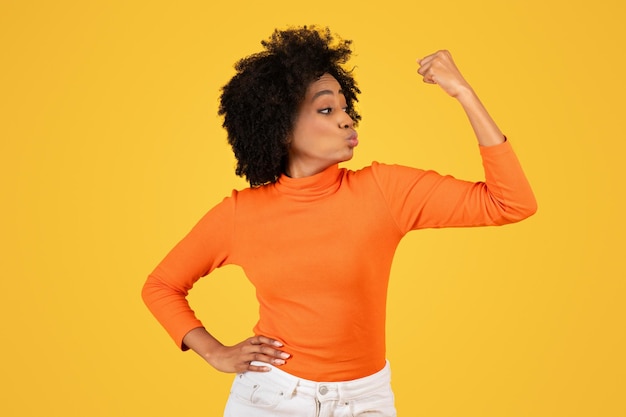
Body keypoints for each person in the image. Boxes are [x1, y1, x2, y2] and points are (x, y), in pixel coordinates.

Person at [142, 26, 537, 417]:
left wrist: (464, 94)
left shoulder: (385, 191)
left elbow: (511, 202)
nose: (346, 120)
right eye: (326, 109)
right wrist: (213, 352)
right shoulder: (240, 214)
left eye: (346, 108)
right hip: (269, 397)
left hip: (364, 401)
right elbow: (161, 286)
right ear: (280, 128)